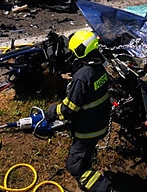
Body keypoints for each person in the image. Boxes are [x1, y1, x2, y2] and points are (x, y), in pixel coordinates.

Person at [47, 31, 113, 192]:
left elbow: (69, 109)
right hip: (100, 124)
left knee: (76, 167)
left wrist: (52, 111)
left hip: (87, 131)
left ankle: (104, 188)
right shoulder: (101, 68)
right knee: (86, 155)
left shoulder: (82, 77)